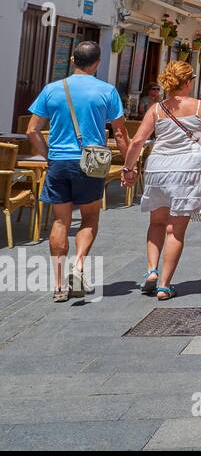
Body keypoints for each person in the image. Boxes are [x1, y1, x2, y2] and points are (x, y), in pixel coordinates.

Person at [25, 40, 130, 302]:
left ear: (73, 60)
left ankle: (60, 285)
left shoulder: (52, 89)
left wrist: (49, 156)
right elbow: (119, 133)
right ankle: (79, 266)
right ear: (97, 63)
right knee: (90, 218)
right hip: (90, 163)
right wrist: (130, 164)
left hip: (59, 162)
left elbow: (32, 130)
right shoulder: (107, 91)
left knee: (60, 221)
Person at [121, 61, 201, 301]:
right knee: (175, 230)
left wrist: (128, 168)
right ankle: (164, 285)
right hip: (188, 169)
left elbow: (138, 140)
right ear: (188, 82)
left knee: (157, 222)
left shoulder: (156, 109)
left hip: (158, 168)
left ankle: (151, 270)